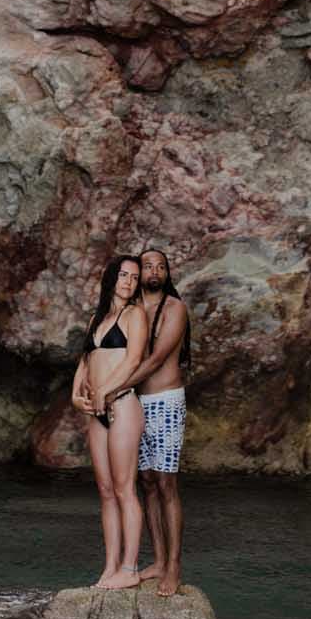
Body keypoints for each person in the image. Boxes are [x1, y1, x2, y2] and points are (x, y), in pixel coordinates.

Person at [69, 255, 149, 590]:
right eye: (123, 275)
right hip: (96, 410)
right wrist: (76, 394)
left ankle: (130, 569)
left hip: (123, 404)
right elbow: (86, 361)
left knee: (124, 489)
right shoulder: (97, 318)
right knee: (105, 492)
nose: (129, 282)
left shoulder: (136, 315)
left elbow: (133, 360)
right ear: (111, 278)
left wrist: (106, 390)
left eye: (134, 277)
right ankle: (110, 566)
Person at [128, 246, 189, 598]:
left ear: (167, 273)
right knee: (147, 481)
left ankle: (175, 567)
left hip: (165, 401)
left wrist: (115, 387)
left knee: (166, 484)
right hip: (137, 403)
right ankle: (159, 560)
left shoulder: (175, 308)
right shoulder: (133, 310)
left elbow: (154, 362)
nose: (154, 271)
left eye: (160, 266)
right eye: (147, 266)